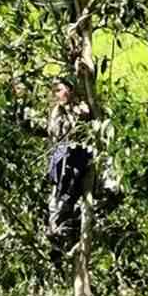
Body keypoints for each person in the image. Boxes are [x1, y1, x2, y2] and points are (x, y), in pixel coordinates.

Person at [47, 76, 91, 264]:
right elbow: (53, 133)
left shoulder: (79, 108)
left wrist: (79, 111)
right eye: (55, 91)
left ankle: (62, 235)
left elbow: (83, 125)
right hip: (61, 163)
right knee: (58, 202)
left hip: (76, 160)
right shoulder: (56, 112)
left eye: (60, 90)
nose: (57, 95)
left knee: (65, 200)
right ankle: (59, 239)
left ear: (70, 90)